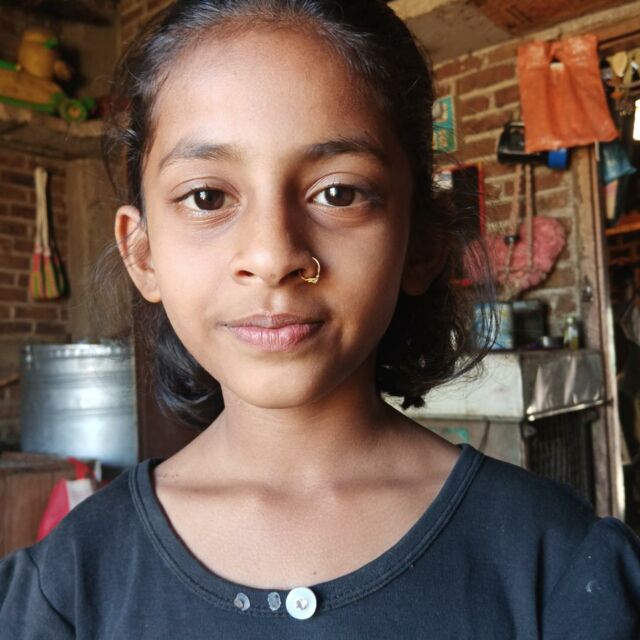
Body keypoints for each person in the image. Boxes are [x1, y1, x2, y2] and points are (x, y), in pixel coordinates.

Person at [1, 0, 640, 637]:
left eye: (338, 193)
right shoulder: (67, 589)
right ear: (143, 255)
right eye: (207, 196)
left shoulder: (557, 567)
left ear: (422, 243)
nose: (272, 256)